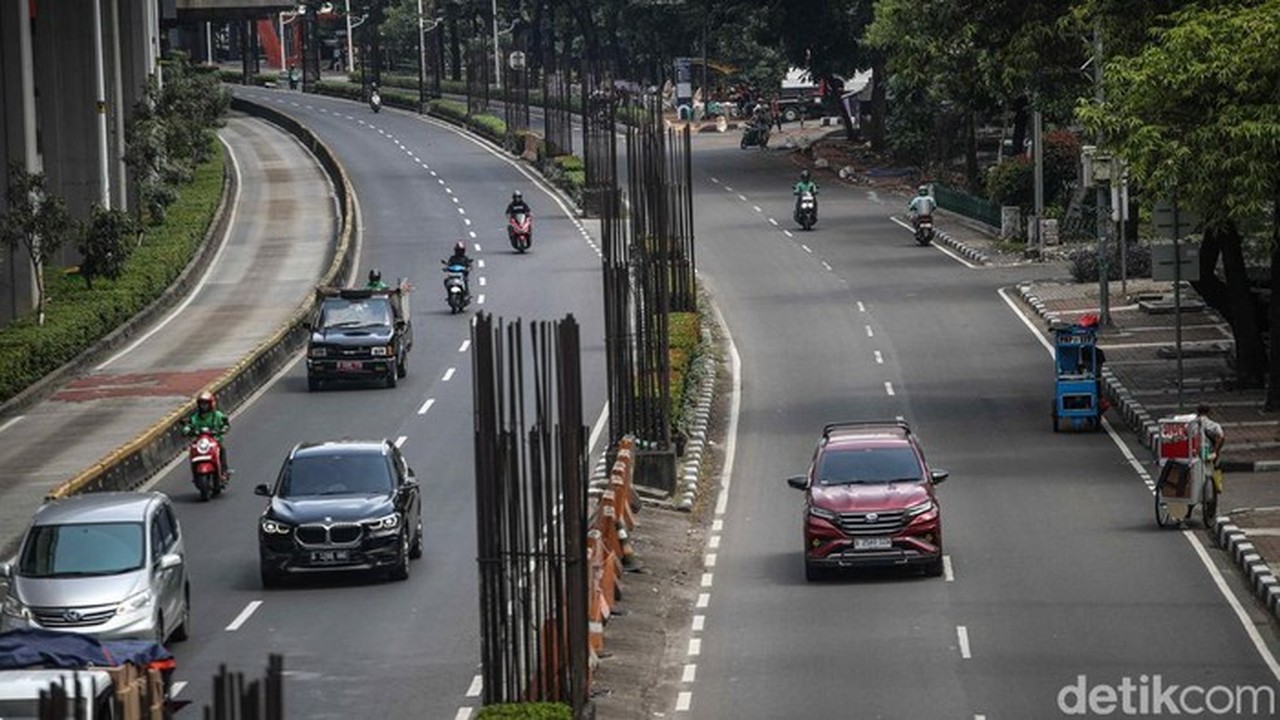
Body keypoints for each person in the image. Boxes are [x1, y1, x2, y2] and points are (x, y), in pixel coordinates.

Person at [183, 391, 231, 475]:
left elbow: (225, 424)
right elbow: (188, 426)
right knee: (192, 451)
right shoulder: (195, 417)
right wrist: (187, 430)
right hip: (200, 443)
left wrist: (223, 429)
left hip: (214, 441)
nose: (204, 406)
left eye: (206, 404)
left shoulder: (217, 415)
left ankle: (224, 470)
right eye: (202, 404)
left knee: (221, 449)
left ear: (211, 404)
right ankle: (195, 473)